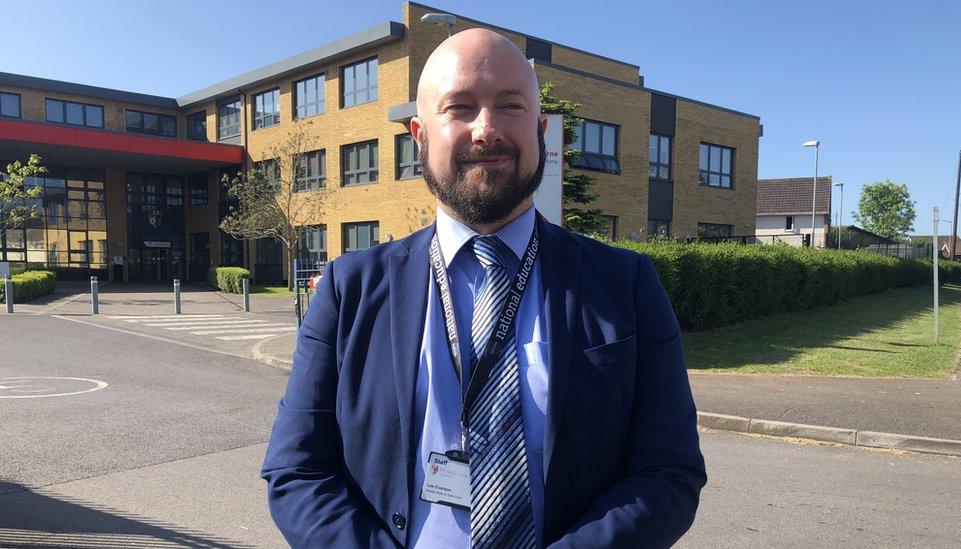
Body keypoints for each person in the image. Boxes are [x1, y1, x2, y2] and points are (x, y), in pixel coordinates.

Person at [261, 28, 706, 548]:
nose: (487, 129)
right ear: (419, 135)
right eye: (460, 107)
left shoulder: (626, 285)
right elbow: (297, 471)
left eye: (510, 105)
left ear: (540, 130)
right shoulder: (349, 289)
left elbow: (668, 473)